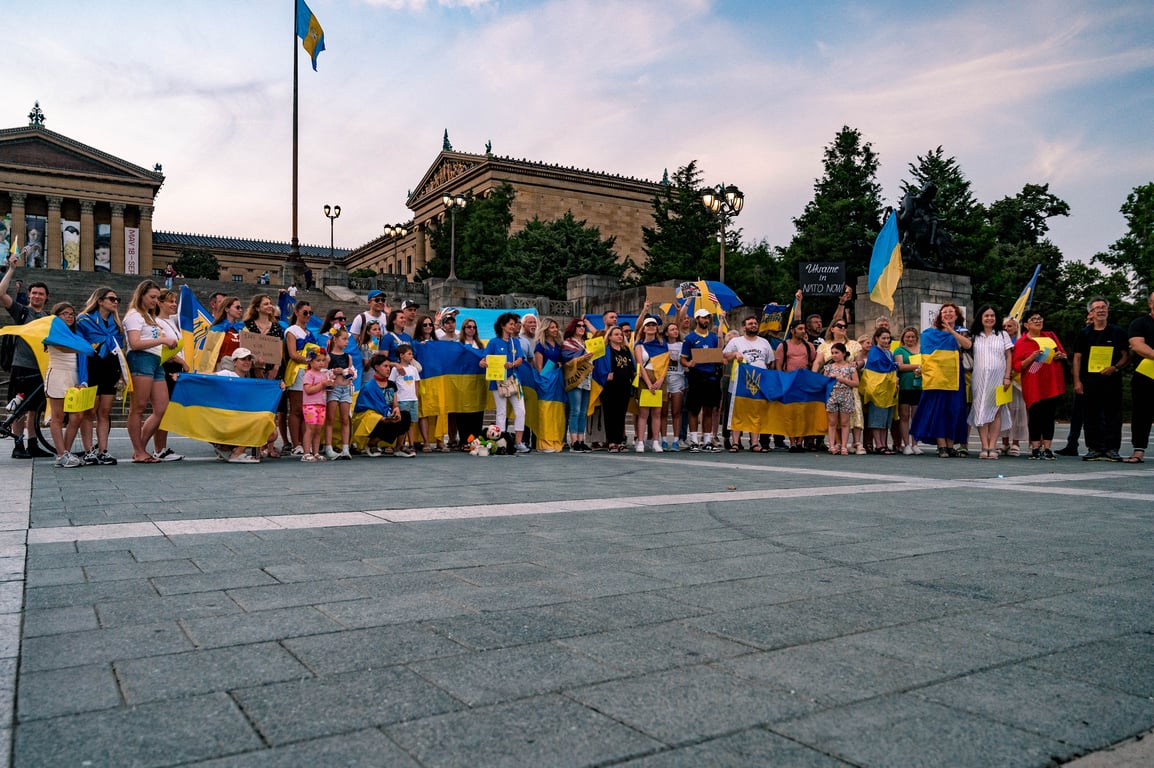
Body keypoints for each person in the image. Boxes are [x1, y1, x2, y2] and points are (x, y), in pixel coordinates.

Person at [0, 258, 54, 458]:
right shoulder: (22, 312)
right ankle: (17, 445)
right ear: (29, 296)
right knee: (19, 408)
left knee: (34, 409)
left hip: (41, 368)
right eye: (34, 293)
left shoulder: (50, 317)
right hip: (21, 366)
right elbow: (1, 293)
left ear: (46, 297)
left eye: (41, 293)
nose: (37, 296)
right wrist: (12, 268)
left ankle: (32, 444)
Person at [123, 280, 180, 463]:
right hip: (141, 359)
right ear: (141, 295)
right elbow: (135, 343)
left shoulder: (149, 316)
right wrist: (162, 341)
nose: (156, 301)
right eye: (152, 297)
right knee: (138, 407)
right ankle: (139, 450)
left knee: (162, 407)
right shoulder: (134, 316)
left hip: (155, 361)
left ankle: (140, 447)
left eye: (157, 297)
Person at [1071, 297, 1130, 462]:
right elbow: (1077, 358)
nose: (1101, 310)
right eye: (1097, 308)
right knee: (1090, 415)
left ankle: (1112, 449)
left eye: (1104, 307)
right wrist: (1077, 381)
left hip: (1112, 381)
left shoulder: (1118, 332)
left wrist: (1115, 367)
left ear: (1108, 310)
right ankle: (1094, 448)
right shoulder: (1084, 333)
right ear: (1091, 312)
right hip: (1090, 380)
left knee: (1113, 415)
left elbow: (1126, 356)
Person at [910, 302, 972, 458]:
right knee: (939, 411)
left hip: (954, 377)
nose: (948, 314)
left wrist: (951, 330)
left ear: (957, 315)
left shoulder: (961, 331)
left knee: (954, 410)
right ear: (940, 315)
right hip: (936, 378)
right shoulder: (930, 333)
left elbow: (967, 345)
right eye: (945, 312)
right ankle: (942, 445)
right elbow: (926, 356)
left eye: (951, 312)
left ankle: (951, 446)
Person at [75, 287, 125, 465]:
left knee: (104, 412)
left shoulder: (116, 325)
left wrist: (121, 374)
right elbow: (80, 350)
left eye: (117, 299)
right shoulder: (84, 320)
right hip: (92, 367)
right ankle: (89, 451)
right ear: (100, 300)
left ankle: (103, 450)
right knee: (89, 411)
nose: (115, 302)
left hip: (110, 369)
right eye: (112, 299)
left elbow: (119, 351)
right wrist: (82, 377)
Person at [1012, 309, 1066, 460]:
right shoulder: (1022, 342)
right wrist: (1032, 358)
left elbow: (1062, 352)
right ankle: (1035, 447)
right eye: (1033, 319)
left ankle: (1047, 448)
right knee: (1035, 415)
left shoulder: (1050, 336)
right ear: (1026, 324)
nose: (1037, 321)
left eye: (1039, 318)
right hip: (1033, 384)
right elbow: (1017, 366)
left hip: (1051, 382)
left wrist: (1060, 355)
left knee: (1049, 416)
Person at [43, 303, 91, 467]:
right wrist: (84, 347)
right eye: (65, 314)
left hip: (73, 377)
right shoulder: (52, 333)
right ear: (56, 316)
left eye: (72, 313)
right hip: (57, 375)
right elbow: (65, 349)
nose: (70, 316)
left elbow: (83, 355)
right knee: (57, 417)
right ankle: (61, 454)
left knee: (77, 416)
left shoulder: (76, 334)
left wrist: (82, 381)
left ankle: (65, 452)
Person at [968, 305, 1014, 459]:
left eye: (992, 315)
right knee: (980, 410)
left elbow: (1008, 356)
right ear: (981, 318)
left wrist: (1007, 376)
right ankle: (984, 446)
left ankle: (993, 446)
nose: (989, 318)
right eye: (986, 315)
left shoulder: (1002, 335)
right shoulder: (975, 336)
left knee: (996, 412)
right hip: (979, 379)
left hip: (999, 379)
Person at [722, 314, 774, 452]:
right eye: (750, 323)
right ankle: (735, 443)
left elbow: (769, 362)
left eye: (755, 323)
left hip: (758, 382)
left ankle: (755, 443)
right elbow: (724, 355)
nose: (753, 325)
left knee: (755, 412)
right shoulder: (736, 342)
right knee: (737, 412)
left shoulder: (764, 342)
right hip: (739, 382)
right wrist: (734, 355)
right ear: (744, 327)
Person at [481, 312, 530, 454]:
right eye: (511, 324)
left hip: (514, 380)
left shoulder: (516, 342)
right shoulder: (493, 342)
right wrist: (483, 363)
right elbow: (484, 359)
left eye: (514, 324)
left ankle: (518, 442)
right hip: (498, 381)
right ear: (503, 325)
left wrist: (512, 364)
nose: (513, 326)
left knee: (521, 410)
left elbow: (521, 359)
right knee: (501, 412)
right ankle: (501, 441)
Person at [812, 319, 864, 454]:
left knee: (854, 414)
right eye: (839, 326)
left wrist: (854, 366)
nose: (843, 328)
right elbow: (818, 362)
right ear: (832, 328)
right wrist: (813, 377)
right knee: (833, 420)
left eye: (845, 326)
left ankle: (856, 442)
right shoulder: (824, 346)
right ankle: (836, 443)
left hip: (849, 388)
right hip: (833, 392)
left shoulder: (854, 344)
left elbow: (860, 361)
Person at [149, 289, 187, 462]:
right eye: (170, 301)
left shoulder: (171, 321)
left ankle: (161, 447)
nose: (173, 304)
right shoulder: (156, 322)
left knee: (166, 410)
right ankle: (157, 447)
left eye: (174, 301)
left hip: (175, 369)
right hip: (166, 367)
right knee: (161, 410)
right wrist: (182, 362)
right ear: (160, 303)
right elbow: (164, 349)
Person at [355, 353, 413, 457]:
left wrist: (396, 410)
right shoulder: (368, 386)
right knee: (381, 421)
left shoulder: (391, 384)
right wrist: (382, 418)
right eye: (385, 366)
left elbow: (395, 404)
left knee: (405, 416)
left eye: (389, 367)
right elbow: (362, 410)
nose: (388, 369)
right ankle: (372, 444)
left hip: (388, 415)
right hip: (375, 420)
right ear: (377, 367)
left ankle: (399, 447)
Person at [210, 348, 263, 464]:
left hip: (240, 420)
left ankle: (234, 450)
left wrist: (279, 385)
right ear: (234, 362)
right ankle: (234, 451)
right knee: (261, 424)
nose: (247, 362)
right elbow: (206, 376)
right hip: (227, 421)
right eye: (243, 359)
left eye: (249, 359)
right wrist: (184, 376)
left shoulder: (249, 380)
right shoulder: (226, 374)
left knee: (271, 433)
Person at [681, 309, 722, 452]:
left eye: (708, 318)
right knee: (694, 409)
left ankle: (707, 441)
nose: (706, 320)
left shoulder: (713, 338)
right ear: (697, 319)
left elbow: (718, 355)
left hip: (710, 377)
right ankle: (693, 441)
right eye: (703, 318)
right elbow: (683, 359)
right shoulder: (690, 338)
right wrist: (688, 364)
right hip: (696, 376)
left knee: (709, 410)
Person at [284, 301, 319, 455]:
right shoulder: (292, 331)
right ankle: (295, 443)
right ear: (297, 312)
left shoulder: (310, 333)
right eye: (305, 312)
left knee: (307, 409)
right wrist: (308, 360)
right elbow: (292, 353)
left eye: (310, 313)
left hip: (310, 372)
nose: (308, 316)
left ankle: (305, 442)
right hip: (298, 370)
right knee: (296, 408)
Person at [777, 319, 817, 452]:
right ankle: (792, 441)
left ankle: (800, 442)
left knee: (803, 413)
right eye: (800, 329)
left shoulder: (809, 346)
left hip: (804, 383)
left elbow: (813, 362)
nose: (803, 331)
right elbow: (778, 366)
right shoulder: (784, 346)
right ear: (792, 330)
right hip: (789, 382)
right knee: (791, 413)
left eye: (804, 328)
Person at [1125, 289, 1154, 464]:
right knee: (1142, 414)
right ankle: (1138, 450)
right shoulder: (1139, 323)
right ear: (1150, 303)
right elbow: (1137, 346)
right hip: (1145, 376)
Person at [633, 316, 667, 453]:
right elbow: (640, 365)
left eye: (654, 325)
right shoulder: (639, 345)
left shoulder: (662, 344)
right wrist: (648, 383)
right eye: (648, 325)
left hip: (659, 379)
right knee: (643, 413)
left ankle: (655, 441)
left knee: (657, 413)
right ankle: (640, 441)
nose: (651, 327)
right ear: (644, 328)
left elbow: (665, 364)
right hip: (644, 379)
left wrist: (659, 381)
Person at [600, 326, 636, 453]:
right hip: (610, 387)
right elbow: (597, 366)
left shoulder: (626, 351)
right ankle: (611, 442)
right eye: (616, 334)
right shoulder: (605, 351)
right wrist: (605, 374)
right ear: (609, 337)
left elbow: (632, 367)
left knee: (621, 415)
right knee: (610, 415)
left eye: (621, 334)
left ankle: (620, 441)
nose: (620, 336)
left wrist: (634, 375)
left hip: (624, 386)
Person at [863, 327, 897, 455]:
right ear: (877, 338)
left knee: (886, 420)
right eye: (883, 338)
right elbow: (880, 366)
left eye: (888, 338)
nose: (886, 341)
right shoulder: (874, 351)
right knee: (877, 419)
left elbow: (890, 368)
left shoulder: (889, 353)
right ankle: (879, 444)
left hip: (888, 390)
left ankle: (883, 444)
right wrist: (895, 366)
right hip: (878, 390)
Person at [999, 317, 1029, 457]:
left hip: (1017, 381)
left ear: (1016, 328)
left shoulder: (1021, 342)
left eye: (1009, 326)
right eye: (1004, 326)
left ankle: (1016, 443)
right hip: (1002, 380)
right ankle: (1004, 442)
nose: (1006, 328)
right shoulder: (999, 341)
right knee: (1003, 411)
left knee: (1017, 413)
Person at [561, 317, 593, 453]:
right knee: (575, 410)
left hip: (587, 378)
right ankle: (574, 441)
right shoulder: (567, 343)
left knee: (583, 411)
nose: (581, 328)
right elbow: (566, 359)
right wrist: (582, 357)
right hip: (574, 378)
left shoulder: (588, 343)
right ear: (573, 328)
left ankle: (581, 440)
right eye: (578, 325)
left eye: (583, 326)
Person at [821, 342, 858, 455]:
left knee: (845, 423)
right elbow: (823, 382)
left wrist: (843, 380)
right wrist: (828, 379)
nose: (834, 355)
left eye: (837, 353)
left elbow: (856, 383)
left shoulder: (850, 367)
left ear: (843, 353)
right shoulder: (828, 367)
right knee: (832, 422)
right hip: (832, 395)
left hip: (846, 395)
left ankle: (843, 446)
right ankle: (832, 445)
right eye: (832, 353)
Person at [893, 326, 923, 455]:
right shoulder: (899, 350)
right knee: (904, 416)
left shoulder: (922, 349)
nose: (910, 339)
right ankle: (906, 444)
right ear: (903, 338)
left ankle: (915, 443)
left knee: (916, 416)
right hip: (905, 386)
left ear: (916, 338)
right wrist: (918, 366)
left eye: (912, 337)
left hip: (919, 386)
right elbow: (900, 366)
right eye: (907, 337)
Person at [390, 343, 423, 454]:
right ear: (401, 355)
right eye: (409, 354)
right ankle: (400, 444)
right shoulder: (396, 370)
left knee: (411, 423)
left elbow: (416, 383)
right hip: (402, 399)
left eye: (412, 354)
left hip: (412, 399)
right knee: (403, 422)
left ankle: (411, 443)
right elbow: (392, 383)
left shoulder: (413, 369)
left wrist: (416, 396)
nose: (411, 356)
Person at [299, 345, 331, 461]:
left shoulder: (323, 375)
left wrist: (329, 385)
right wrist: (321, 385)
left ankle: (316, 452)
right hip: (310, 405)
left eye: (323, 360)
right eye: (318, 360)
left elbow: (325, 389)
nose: (321, 363)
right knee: (310, 429)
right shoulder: (309, 374)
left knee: (318, 429)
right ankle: (306, 453)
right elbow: (308, 390)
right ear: (310, 361)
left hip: (321, 404)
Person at [662, 320, 686, 451]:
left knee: (676, 411)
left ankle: (676, 440)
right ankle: (664, 440)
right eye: (672, 329)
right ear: (666, 333)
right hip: (664, 379)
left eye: (676, 329)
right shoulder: (661, 344)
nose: (675, 331)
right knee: (663, 412)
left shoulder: (682, 345)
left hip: (678, 379)